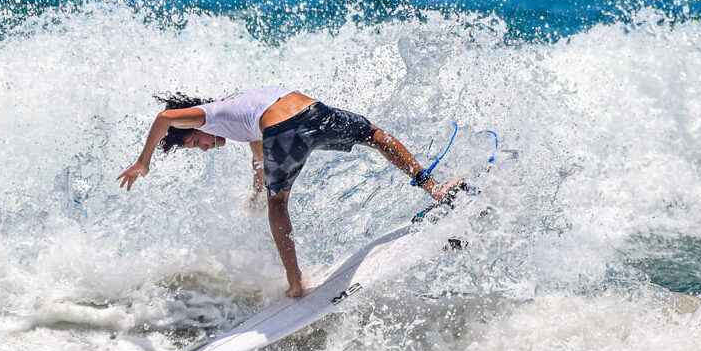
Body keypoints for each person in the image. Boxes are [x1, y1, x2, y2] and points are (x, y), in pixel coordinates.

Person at [117, 87, 461, 298]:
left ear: (193, 126)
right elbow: (260, 151)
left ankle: (295, 283)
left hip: (282, 128)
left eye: (194, 141)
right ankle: (434, 188)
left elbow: (164, 118)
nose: (203, 147)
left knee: (278, 204)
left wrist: (142, 162)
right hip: (311, 111)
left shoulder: (205, 114)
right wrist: (255, 190)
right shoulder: (238, 110)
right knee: (375, 135)